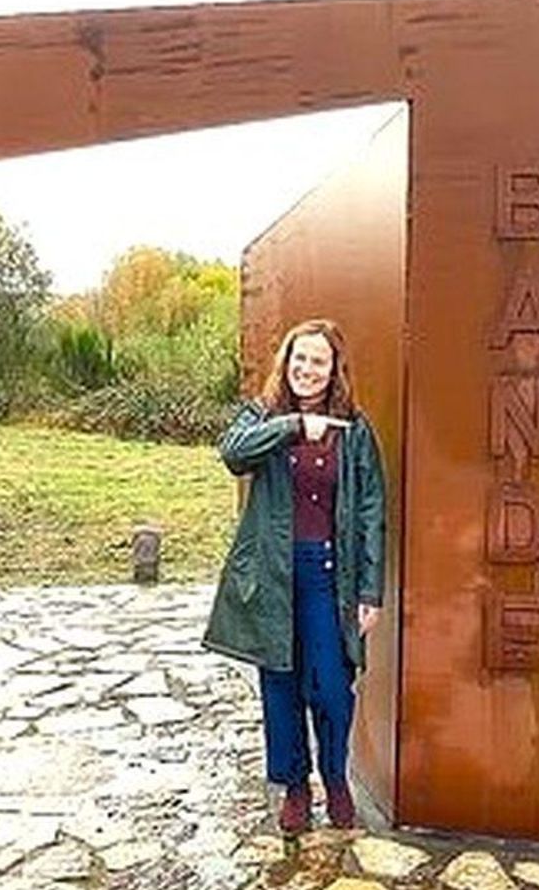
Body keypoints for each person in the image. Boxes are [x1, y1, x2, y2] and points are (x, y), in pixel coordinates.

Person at [202, 318, 387, 836]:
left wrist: (370, 591)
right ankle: (295, 787)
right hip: (273, 575)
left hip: (330, 575)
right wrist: (291, 428)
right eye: (299, 359)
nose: (307, 369)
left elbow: (372, 509)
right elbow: (233, 454)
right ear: (287, 362)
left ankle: (335, 777)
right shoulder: (262, 416)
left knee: (332, 687)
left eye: (319, 362)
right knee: (279, 683)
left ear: (334, 371)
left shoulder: (354, 426)